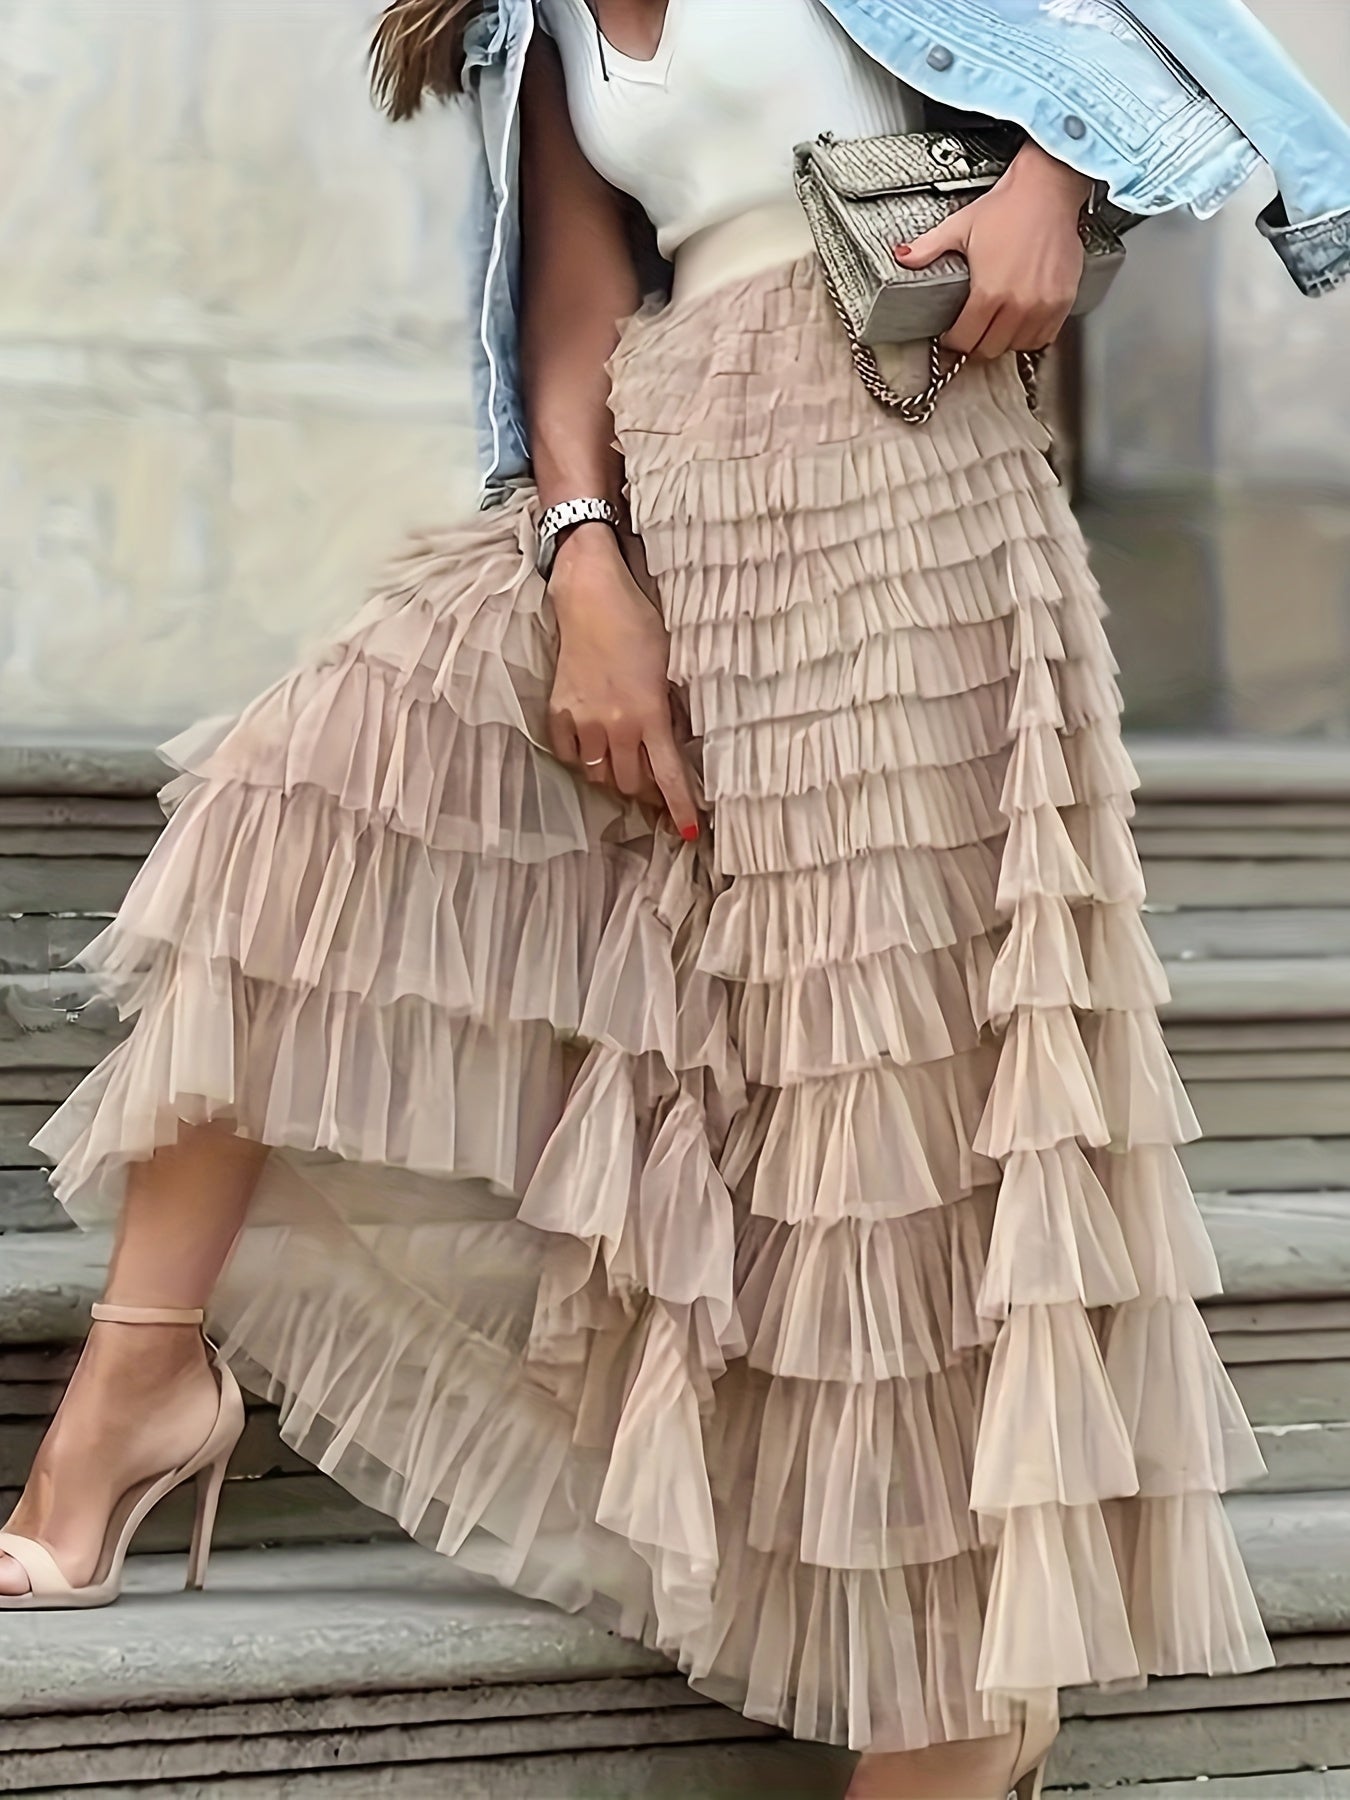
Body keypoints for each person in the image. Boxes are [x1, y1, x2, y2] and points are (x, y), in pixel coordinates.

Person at [5, 3, 1348, 1795]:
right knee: (298, 795)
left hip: (897, 463)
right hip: (651, 484)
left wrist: (1059, 170)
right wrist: (580, 568)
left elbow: (1172, 28)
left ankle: (954, 1707)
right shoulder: (528, 22)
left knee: (890, 1100)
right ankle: (141, 1382)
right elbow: (570, 306)